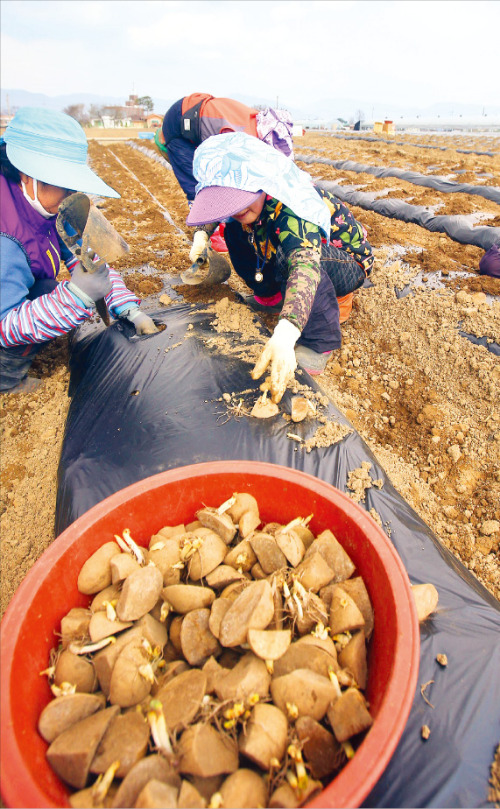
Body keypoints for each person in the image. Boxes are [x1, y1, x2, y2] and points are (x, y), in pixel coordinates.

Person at [186, 131, 374, 404]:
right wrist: (202, 234)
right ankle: (273, 297)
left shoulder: (292, 205)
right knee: (235, 232)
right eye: (229, 201)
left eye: (240, 198)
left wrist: (287, 332)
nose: (236, 208)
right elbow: (221, 209)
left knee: (292, 258)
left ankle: (318, 341)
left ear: (262, 183)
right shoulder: (248, 201)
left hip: (344, 261)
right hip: (298, 252)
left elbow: (305, 266)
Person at [0, 107, 157, 394]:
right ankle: (6, 380)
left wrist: (128, 308)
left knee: (47, 290)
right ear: (27, 174)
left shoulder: (46, 207)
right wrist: (76, 297)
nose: (69, 194)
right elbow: (4, 325)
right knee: (52, 298)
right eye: (63, 184)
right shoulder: (5, 237)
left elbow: (86, 259)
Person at [154, 93, 294, 259]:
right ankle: (208, 238)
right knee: (198, 186)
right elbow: (224, 180)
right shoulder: (240, 138)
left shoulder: (269, 132)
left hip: (196, 113)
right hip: (179, 124)